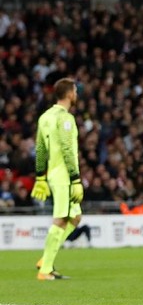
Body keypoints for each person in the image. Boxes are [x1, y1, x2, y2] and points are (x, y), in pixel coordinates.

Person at [31, 78, 84, 280]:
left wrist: (40, 177)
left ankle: (46, 259)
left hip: (53, 174)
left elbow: (40, 149)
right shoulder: (65, 118)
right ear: (69, 94)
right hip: (64, 176)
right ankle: (45, 270)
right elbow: (67, 149)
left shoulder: (45, 117)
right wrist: (76, 179)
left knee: (75, 217)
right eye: (76, 91)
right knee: (61, 219)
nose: (76, 95)